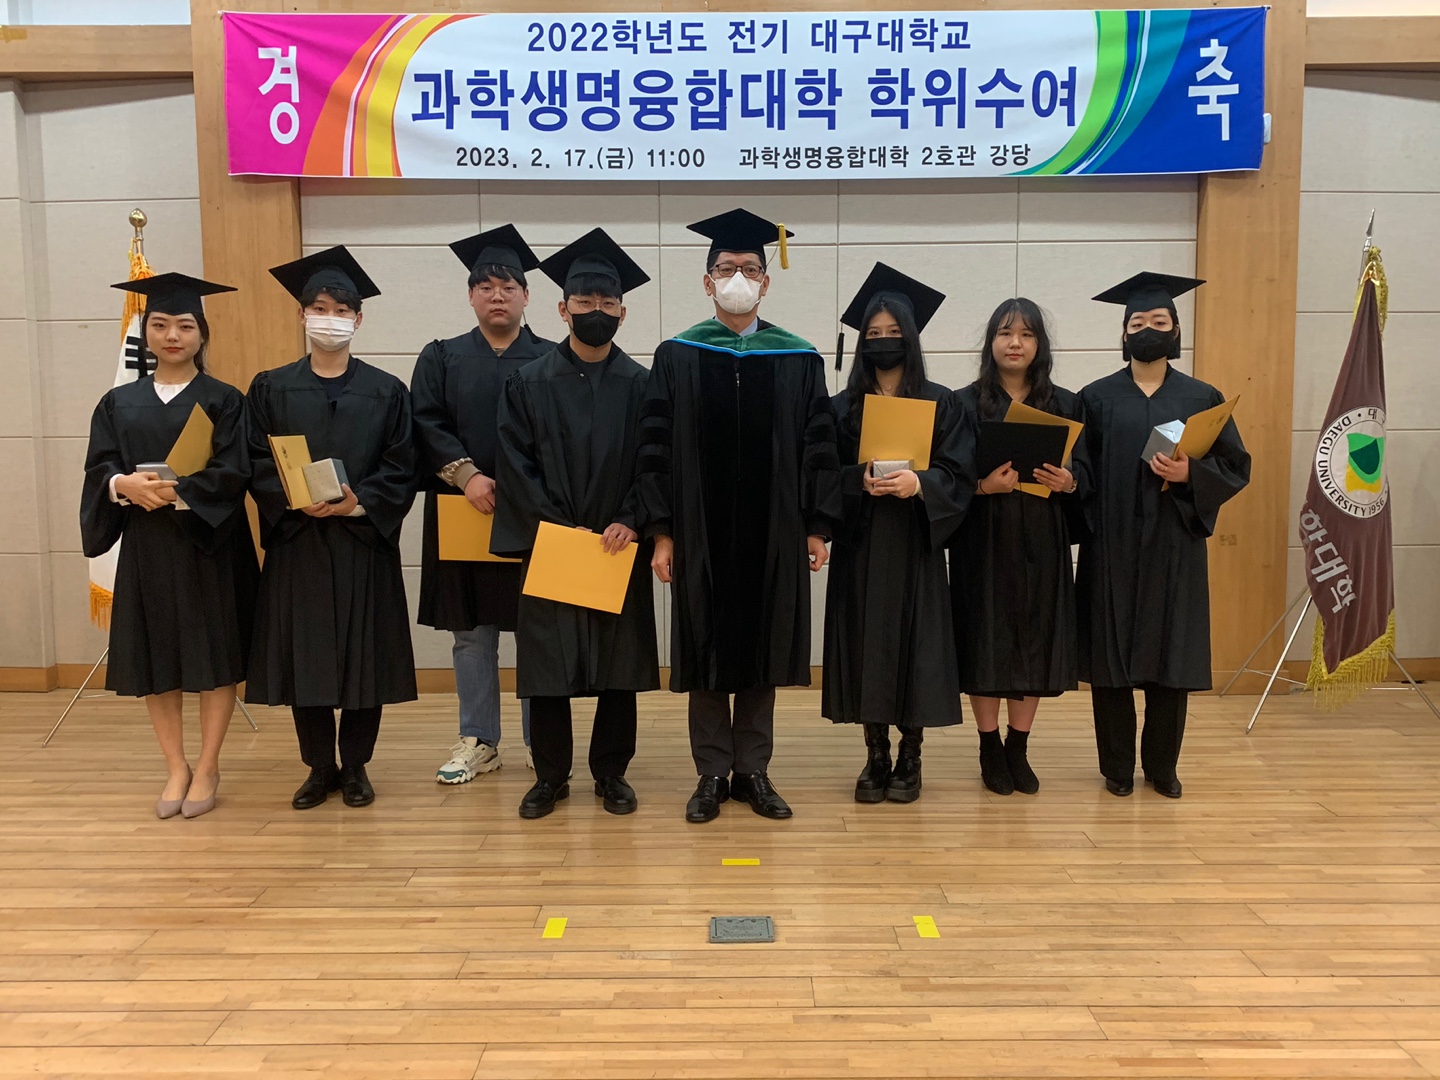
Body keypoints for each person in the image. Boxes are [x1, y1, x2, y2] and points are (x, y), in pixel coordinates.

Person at [637, 207, 842, 823]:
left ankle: (752, 769)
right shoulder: (676, 355)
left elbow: (819, 445)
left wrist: (817, 525)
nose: (738, 278)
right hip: (698, 530)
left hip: (773, 529)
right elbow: (655, 448)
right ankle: (710, 773)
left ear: (766, 282)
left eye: (750, 269)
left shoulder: (798, 357)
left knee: (762, 647)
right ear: (707, 282)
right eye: (726, 268)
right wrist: (662, 532)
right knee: (704, 645)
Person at [491, 228, 659, 820]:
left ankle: (612, 773)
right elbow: (514, 464)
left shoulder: (643, 386)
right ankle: (550, 776)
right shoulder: (528, 382)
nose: (596, 312)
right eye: (584, 302)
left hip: (617, 543)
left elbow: (655, 462)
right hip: (552, 543)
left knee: (619, 665)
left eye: (607, 303)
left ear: (622, 312)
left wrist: (631, 519)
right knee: (547, 665)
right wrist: (557, 528)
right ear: (563, 309)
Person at [246, 246, 418, 810]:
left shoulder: (387, 390)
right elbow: (255, 459)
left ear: (358, 320)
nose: (330, 319)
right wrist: (295, 502)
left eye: (342, 311)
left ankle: (357, 766)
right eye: (320, 309)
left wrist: (358, 503)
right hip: (299, 543)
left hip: (361, 540)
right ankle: (320, 767)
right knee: (307, 658)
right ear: (301, 314)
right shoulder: (270, 387)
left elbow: (402, 464)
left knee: (366, 658)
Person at [80, 273, 256, 819]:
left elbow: (236, 470)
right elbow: (99, 467)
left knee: (214, 657)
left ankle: (208, 765)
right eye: (160, 325)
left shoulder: (225, 400)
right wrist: (122, 485)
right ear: (146, 333)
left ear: (202, 333)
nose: (172, 335)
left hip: (209, 544)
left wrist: (178, 491)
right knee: (158, 657)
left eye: (184, 325)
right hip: (148, 545)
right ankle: (175, 766)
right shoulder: (118, 402)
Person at [1077, 272, 1251, 799]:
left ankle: (1162, 766)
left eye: (1158, 321)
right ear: (1123, 334)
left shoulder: (1202, 397)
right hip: (1112, 545)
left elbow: (1235, 466)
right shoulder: (1095, 397)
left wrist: (1189, 474)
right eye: (1137, 323)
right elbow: (1081, 469)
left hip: (1175, 544)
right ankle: (1116, 767)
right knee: (1111, 660)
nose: (1147, 330)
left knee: (1170, 658)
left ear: (1176, 331)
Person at [822, 263, 973, 804]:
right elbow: (821, 473)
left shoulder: (942, 402)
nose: (883, 341)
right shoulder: (842, 408)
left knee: (917, 647)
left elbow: (960, 474)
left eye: (893, 332)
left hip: (914, 544)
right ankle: (875, 754)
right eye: (873, 333)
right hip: (862, 543)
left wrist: (921, 483)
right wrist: (856, 479)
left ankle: (911, 755)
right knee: (867, 647)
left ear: (910, 337)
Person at [412, 225, 553, 784]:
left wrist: (526, 490)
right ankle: (479, 739)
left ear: (527, 296)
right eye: (487, 287)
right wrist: (467, 475)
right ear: (471, 295)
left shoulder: (551, 358)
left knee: (537, 629)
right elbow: (425, 422)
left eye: (509, 287)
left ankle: (544, 742)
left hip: (533, 516)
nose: (498, 296)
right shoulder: (441, 357)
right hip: (462, 511)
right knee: (472, 632)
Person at [951, 298, 1091, 796]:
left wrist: (1070, 481)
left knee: (1034, 640)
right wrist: (981, 486)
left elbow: (1088, 471)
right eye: (1005, 333)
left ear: (1040, 345)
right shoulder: (963, 404)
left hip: (1042, 537)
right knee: (985, 638)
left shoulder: (1066, 405)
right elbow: (946, 474)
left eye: (1027, 334)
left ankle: (1018, 746)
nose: (1015, 343)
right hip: (983, 538)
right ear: (990, 342)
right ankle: (989, 746)